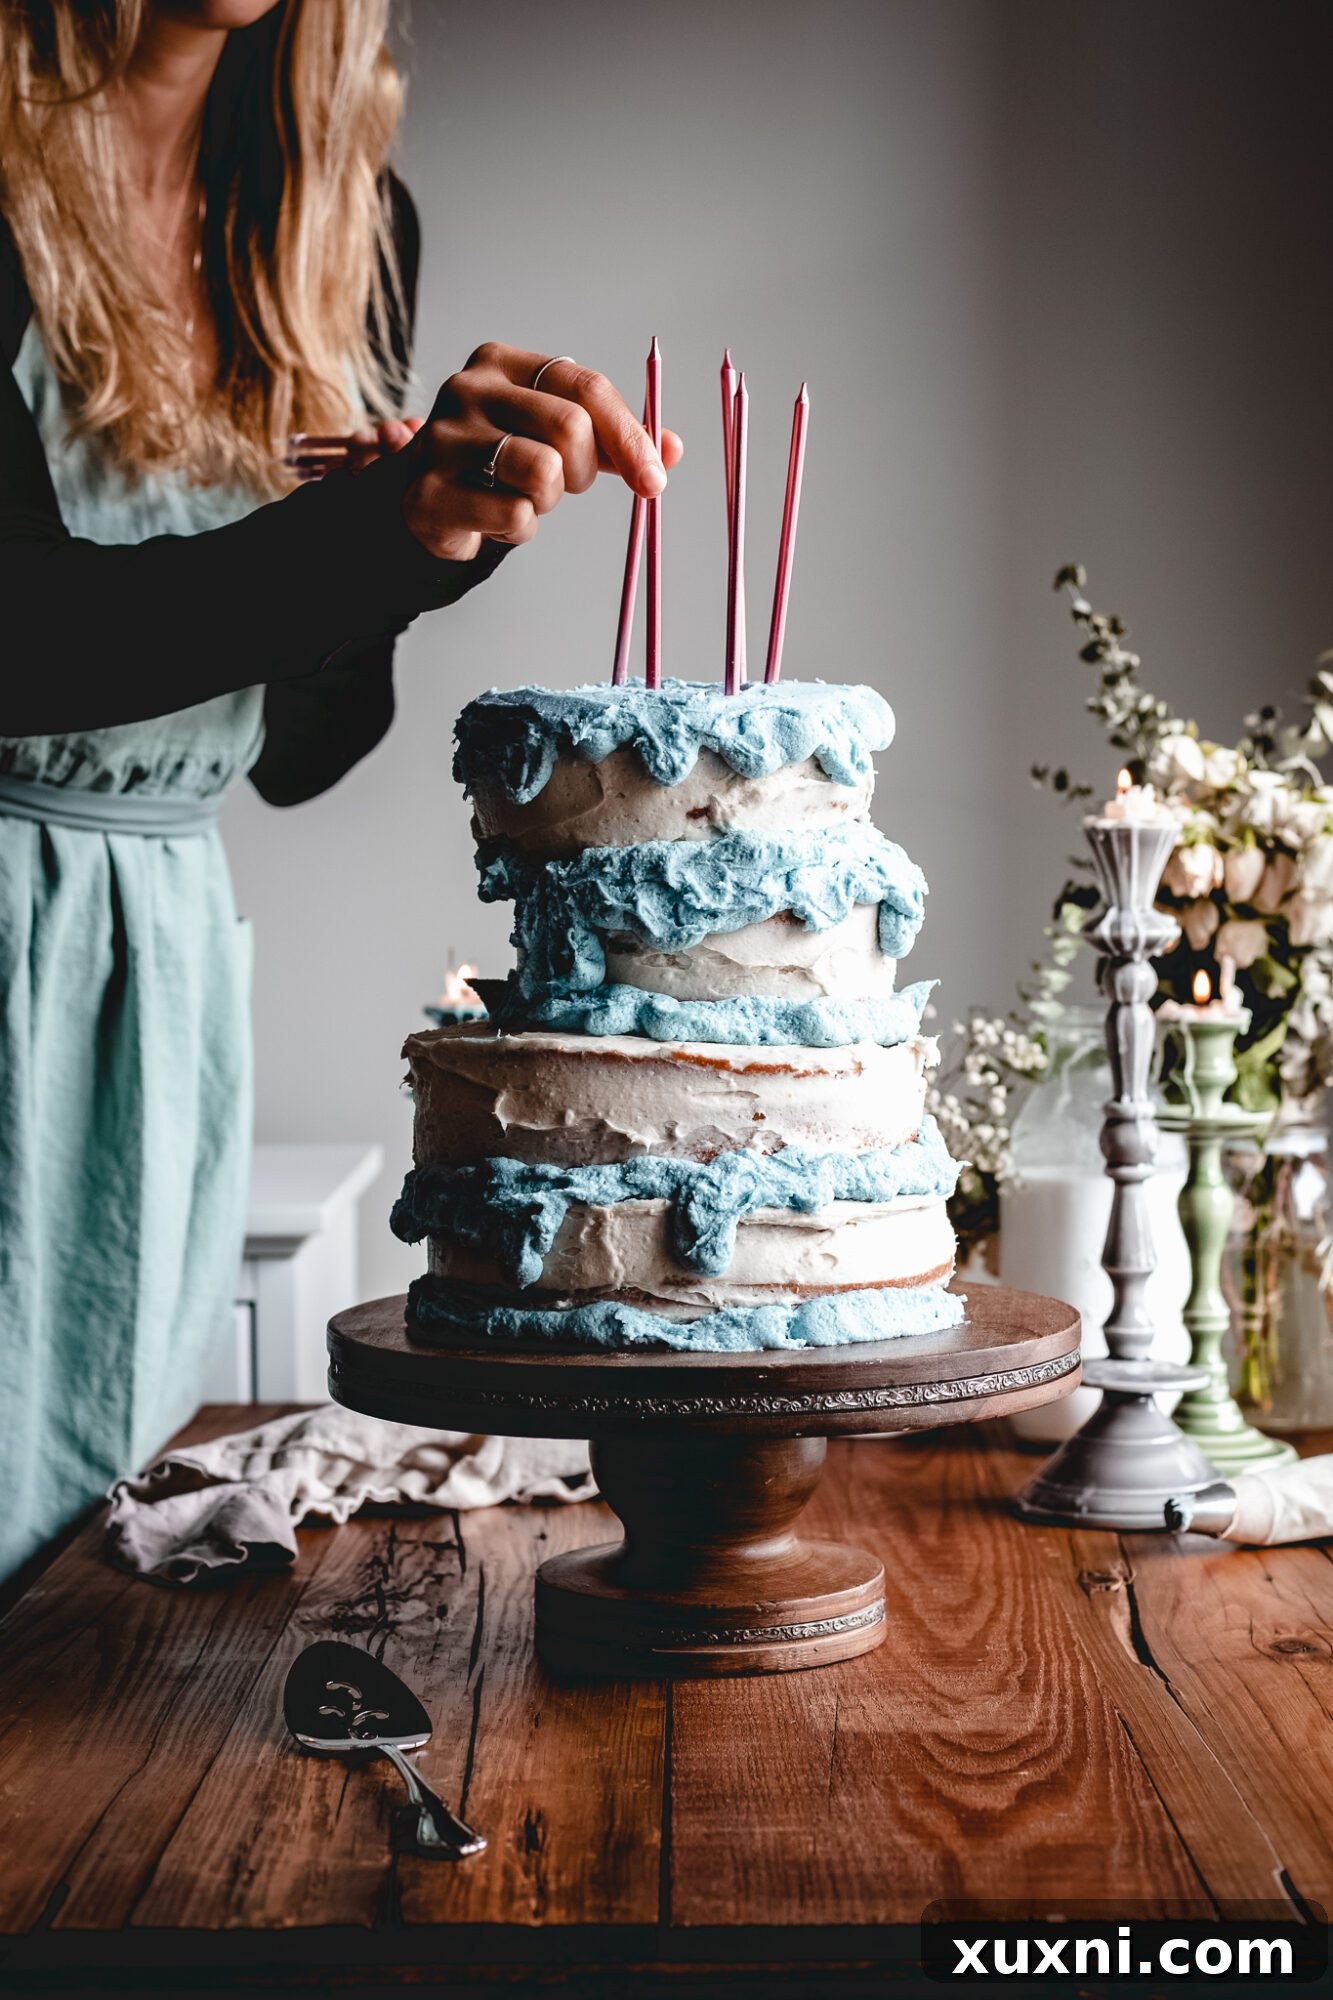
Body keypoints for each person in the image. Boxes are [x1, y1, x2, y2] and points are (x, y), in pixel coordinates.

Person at [0, 0, 682, 1584]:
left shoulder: (343, 217)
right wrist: (366, 543)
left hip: (152, 971)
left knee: (80, 1569)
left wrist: (425, 543)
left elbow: (307, 745)